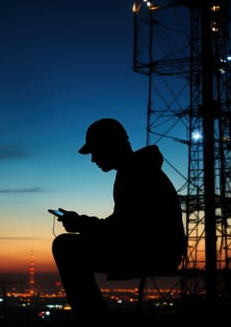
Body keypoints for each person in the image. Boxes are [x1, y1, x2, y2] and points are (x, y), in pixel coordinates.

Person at [51, 118, 186, 325]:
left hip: (153, 250)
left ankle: (94, 322)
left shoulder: (135, 174)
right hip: (155, 246)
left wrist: (82, 225)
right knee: (68, 246)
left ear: (110, 146)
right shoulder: (137, 170)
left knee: (65, 246)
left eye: (95, 151)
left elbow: (125, 230)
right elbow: (124, 224)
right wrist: (84, 224)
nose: (93, 159)